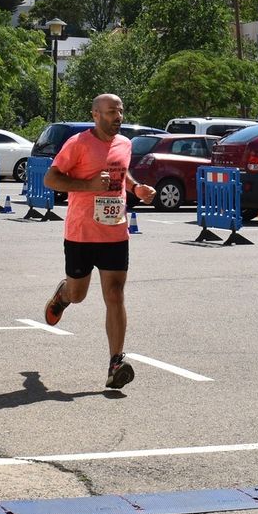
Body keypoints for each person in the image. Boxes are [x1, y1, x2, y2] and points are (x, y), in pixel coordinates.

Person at [41, 93, 154, 389]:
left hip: (115, 231)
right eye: (111, 112)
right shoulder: (77, 143)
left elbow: (120, 170)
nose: (118, 117)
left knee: (115, 294)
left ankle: (115, 362)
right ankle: (63, 295)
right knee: (79, 294)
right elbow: (51, 180)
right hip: (81, 232)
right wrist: (87, 185)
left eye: (120, 111)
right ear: (95, 115)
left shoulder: (125, 144)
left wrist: (136, 188)